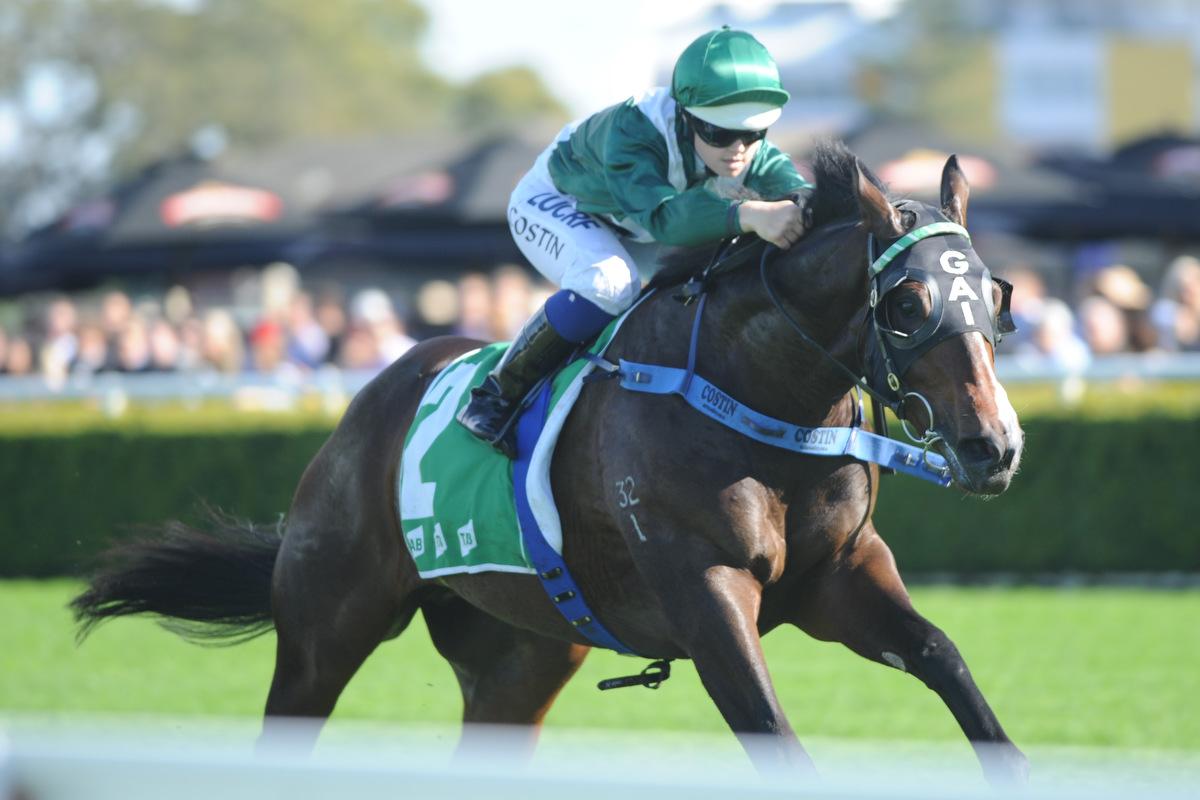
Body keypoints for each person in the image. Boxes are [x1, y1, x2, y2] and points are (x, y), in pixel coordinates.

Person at [459, 26, 813, 457]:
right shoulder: (635, 130)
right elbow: (664, 219)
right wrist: (750, 214)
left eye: (754, 133)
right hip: (557, 203)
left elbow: (807, 198)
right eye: (720, 134)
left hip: (631, 226)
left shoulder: (745, 150)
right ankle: (497, 394)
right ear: (687, 115)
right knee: (609, 282)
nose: (739, 149)